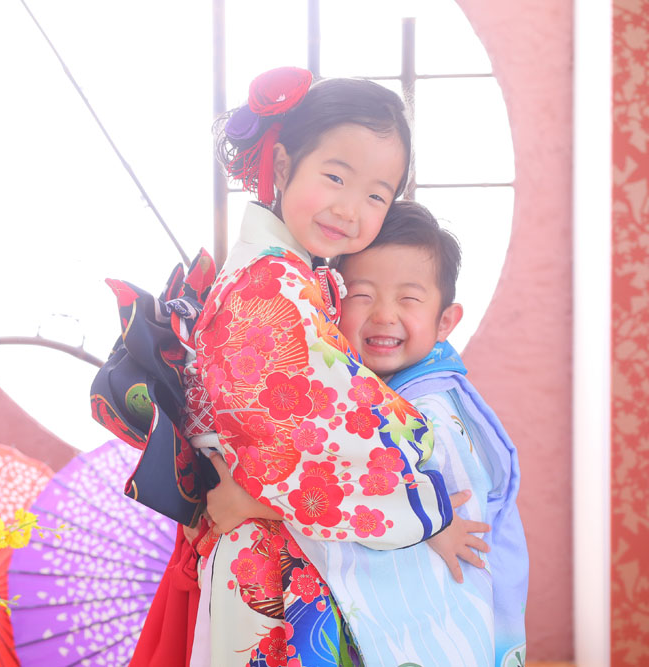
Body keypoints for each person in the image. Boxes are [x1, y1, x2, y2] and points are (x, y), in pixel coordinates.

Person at [178, 67, 482, 667]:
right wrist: (424, 504)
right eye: (335, 177)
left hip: (270, 532)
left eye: (376, 195)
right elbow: (331, 430)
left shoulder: (287, 273)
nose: (349, 209)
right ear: (284, 165)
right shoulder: (271, 286)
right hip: (270, 560)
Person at [205, 200, 528, 666]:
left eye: (408, 299)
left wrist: (253, 504)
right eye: (362, 295)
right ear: (331, 304)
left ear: (445, 322)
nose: (384, 315)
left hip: (441, 615)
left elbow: (389, 507)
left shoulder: (434, 410)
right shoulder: (356, 389)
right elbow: (354, 483)